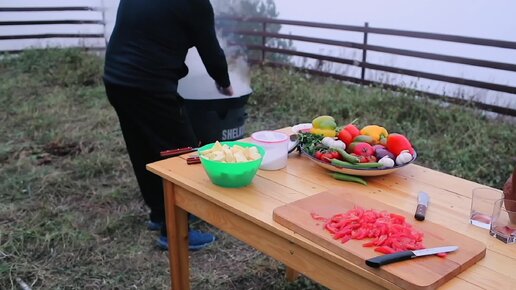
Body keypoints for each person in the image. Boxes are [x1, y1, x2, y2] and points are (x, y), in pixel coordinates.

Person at [103, 0, 233, 251]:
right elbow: (211, 51)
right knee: (182, 153)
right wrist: (224, 82)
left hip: (116, 79)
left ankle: (159, 214)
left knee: (144, 148)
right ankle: (175, 230)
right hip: (148, 86)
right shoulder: (196, 4)